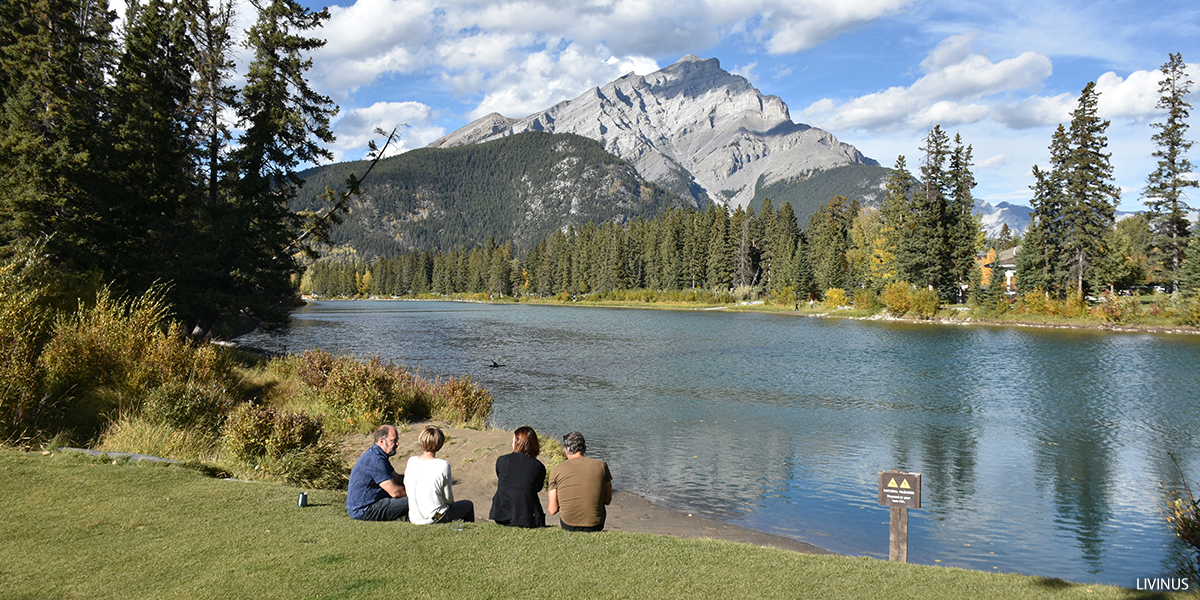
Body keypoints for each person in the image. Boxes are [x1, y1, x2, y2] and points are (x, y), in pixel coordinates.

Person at [405, 425, 475, 524]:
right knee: (468, 505)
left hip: (414, 517)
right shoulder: (443, 465)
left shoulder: (411, 461)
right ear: (440, 444)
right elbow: (449, 499)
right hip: (435, 517)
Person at [548, 431, 612, 532]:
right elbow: (607, 500)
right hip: (595, 524)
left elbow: (552, 510)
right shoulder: (601, 465)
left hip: (568, 524)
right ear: (584, 448)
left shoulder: (556, 470)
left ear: (566, 450)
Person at [346, 425, 408, 521]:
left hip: (366, 505)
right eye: (393, 440)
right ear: (381, 441)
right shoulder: (375, 459)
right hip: (364, 510)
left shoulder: (378, 455)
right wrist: (417, 493)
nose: (397, 444)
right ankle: (426, 521)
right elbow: (395, 492)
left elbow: (397, 479)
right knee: (415, 500)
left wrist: (417, 480)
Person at [489, 426, 546, 528]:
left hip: (501, 513)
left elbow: (502, 479)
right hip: (528, 516)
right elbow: (537, 488)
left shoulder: (502, 460)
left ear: (517, 442)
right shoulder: (538, 466)